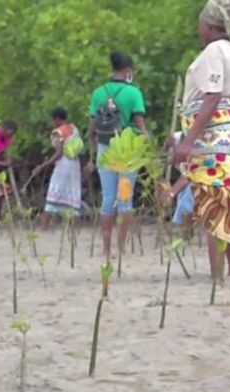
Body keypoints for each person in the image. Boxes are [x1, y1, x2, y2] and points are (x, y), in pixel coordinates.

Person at [171, 0, 230, 278]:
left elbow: (212, 97)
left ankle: (217, 276)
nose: (198, 30)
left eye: (201, 24)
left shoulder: (214, 51)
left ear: (210, 26)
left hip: (215, 135)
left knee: (214, 204)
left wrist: (188, 142)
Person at [87, 51, 148, 259]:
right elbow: (140, 123)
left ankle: (106, 247)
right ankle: (121, 247)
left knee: (107, 197)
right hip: (128, 150)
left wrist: (92, 150)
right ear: (128, 70)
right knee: (125, 198)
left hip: (105, 148)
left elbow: (91, 127)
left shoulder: (98, 92)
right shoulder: (134, 93)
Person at [34, 107, 84, 228]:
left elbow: (58, 153)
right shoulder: (74, 129)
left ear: (56, 119)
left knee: (54, 194)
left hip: (63, 165)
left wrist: (43, 165)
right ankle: (77, 227)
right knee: (73, 194)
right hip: (75, 165)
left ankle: (44, 225)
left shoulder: (58, 132)